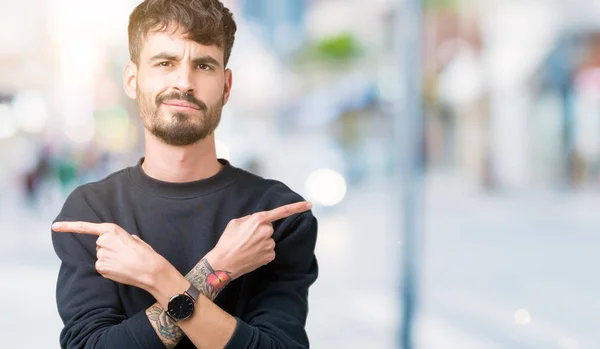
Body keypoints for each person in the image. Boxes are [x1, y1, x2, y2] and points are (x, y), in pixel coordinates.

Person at [50, 1, 319, 348]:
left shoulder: (275, 216)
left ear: (226, 85)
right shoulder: (93, 212)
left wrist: (156, 276)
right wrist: (220, 267)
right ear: (133, 80)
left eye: (203, 65)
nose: (184, 82)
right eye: (165, 63)